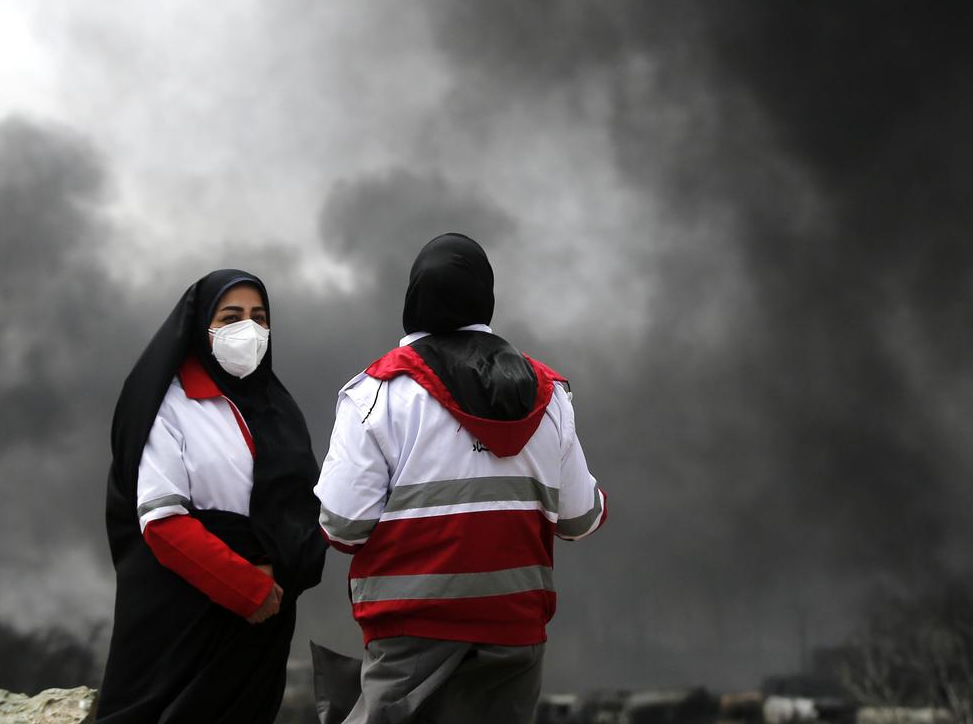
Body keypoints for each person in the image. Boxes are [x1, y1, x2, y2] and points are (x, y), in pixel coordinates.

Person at [313, 233, 608, 724]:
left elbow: (343, 525)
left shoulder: (378, 393)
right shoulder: (550, 394)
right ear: (486, 298)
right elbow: (581, 517)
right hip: (513, 639)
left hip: (410, 635)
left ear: (414, 297)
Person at [97, 269, 327, 723]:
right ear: (201, 326)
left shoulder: (276, 408)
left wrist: (283, 572)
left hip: (264, 626)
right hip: (187, 623)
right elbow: (161, 522)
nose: (249, 329)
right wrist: (248, 588)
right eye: (231, 317)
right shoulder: (169, 406)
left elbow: (303, 509)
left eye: (259, 317)